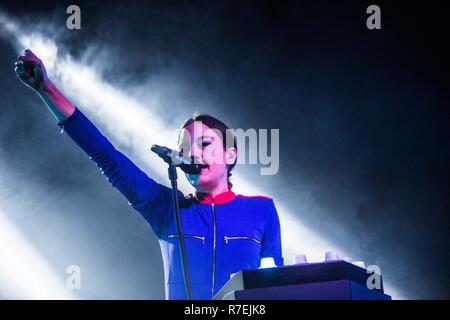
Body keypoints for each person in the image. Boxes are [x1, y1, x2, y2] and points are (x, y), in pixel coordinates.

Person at [14, 49, 283, 300]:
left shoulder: (261, 210)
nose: (194, 154)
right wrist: (45, 89)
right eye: (185, 149)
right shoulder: (167, 208)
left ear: (230, 155)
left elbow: (277, 289)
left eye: (205, 144)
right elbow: (107, 157)